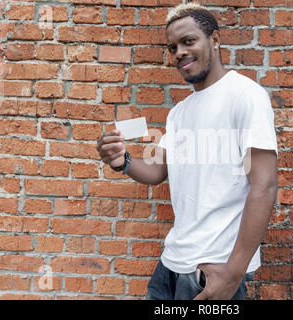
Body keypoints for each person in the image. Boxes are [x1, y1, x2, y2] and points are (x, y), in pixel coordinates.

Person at [96, 2, 278, 300]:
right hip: (171, 264)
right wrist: (122, 161)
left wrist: (233, 274)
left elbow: (265, 186)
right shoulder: (180, 112)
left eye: (188, 41)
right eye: (172, 47)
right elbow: (158, 171)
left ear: (215, 40)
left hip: (211, 271)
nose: (179, 52)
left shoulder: (245, 96)